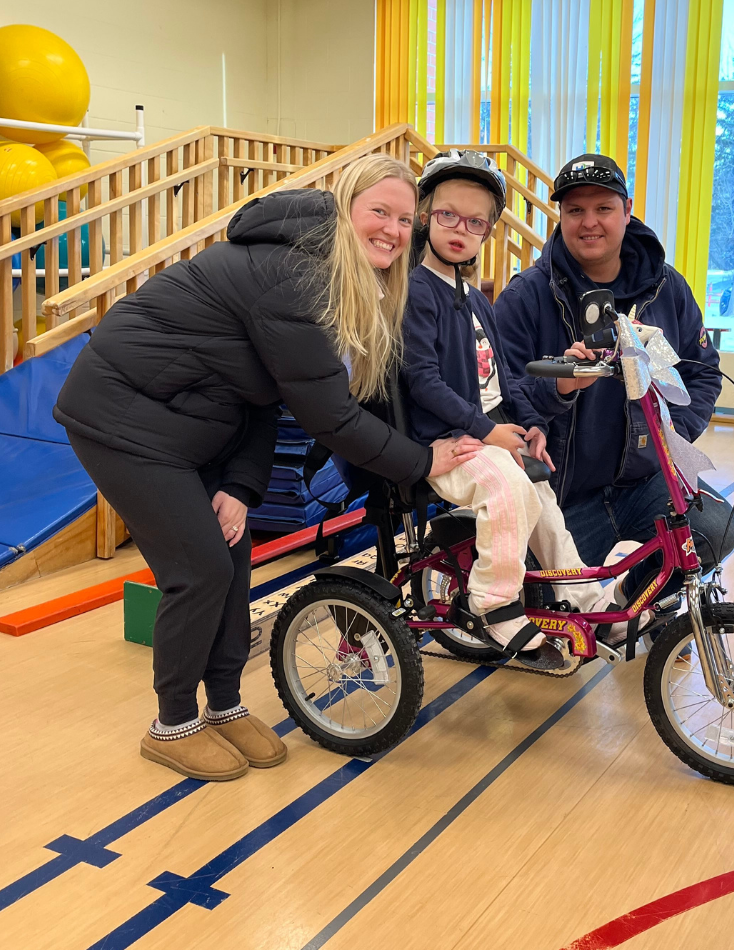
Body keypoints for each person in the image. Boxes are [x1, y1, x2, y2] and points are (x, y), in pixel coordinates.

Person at [55, 155, 482, 782]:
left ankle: (224, 705)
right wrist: (421, 460)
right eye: (379, 212)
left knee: (232, 557)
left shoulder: (337, 278)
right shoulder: (298, 277)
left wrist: (239, 487)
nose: (393, 229)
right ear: (344, 210)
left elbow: (264, 393)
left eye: (404, 218)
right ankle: (171, 724)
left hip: (194, 418)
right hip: (122, 420)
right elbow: (327, 416)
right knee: (197, 568)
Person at [494, 153, 734, 616]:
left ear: (627, 211)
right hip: (564, 496)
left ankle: (638, 601)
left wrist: (675, 435)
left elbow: (702, 369)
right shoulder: (524, 297)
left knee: (714, 527)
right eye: (575, 211)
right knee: (552, 612)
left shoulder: (668, 288)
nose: (589, 223)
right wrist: (559, 387)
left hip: (644, 482)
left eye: (603, 209)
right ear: (560, 217)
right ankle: (596, 599)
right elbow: (502, 396)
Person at [400, 151, 606, 670]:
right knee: (509, 489)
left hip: (485, 435)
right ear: (425, 217)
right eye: (448, 215)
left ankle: (581, 593)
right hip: (448, 443)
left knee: (543, 503)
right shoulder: (415, 292)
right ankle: (494, 604)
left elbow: (502, 381)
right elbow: (422, 381)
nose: (459, 230)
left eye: (475, 222)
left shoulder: (474, 299)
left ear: (488, 232)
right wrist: (488, 431)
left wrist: (529, 426)